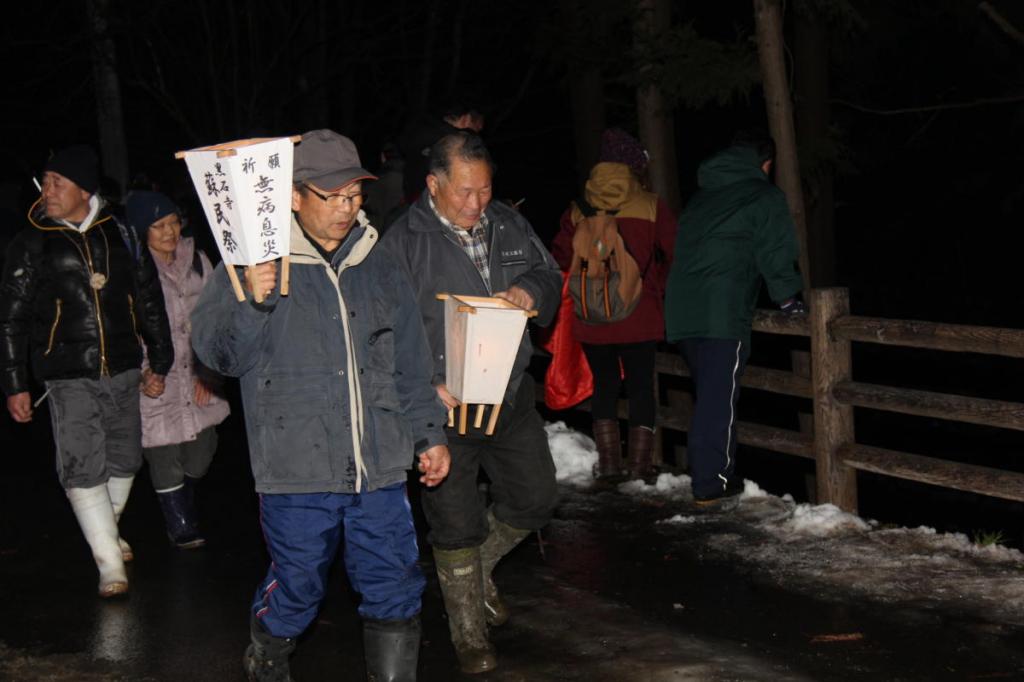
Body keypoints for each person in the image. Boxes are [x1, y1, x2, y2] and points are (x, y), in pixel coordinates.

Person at [189, 129, 451, 682]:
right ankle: (269, 649)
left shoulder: (378, 261)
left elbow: (408, 357)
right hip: (296, 466)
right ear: (293, 196)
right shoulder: (250, 263)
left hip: (378, 461)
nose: (345, 208)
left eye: (353, 195)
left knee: (395, 582)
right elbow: (217, 356)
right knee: (301, 581)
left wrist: (429, 432)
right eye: (331, 197)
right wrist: (252, 302)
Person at [383, 131, 560, 674]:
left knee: (536, 499)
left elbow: (549, 273)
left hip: (509, 394)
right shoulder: (402, 241)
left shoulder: (507, 222)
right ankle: (468, 633)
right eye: (464, 192)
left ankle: (474, 572)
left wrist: (532, 290)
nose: (475, 204)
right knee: (455, 521)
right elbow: (380, 329)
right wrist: (420, 387)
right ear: (433, 186)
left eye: (484, 191)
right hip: (446, 404)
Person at [0, 144, 173, 597]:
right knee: (81, 463)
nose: (47, 190)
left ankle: (104, 530)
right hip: (66, 371)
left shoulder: (121, 233)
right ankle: (109, 563)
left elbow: (149, 297)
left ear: (83, 189)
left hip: (122, 366)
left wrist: (160, 356)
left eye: (58, 182)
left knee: (126, 457)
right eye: (46, 180)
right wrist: (15, 382)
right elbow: (12, 317)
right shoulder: (31, 241)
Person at [664, 131, 805, 509]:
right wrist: (789, 298)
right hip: (720, 312)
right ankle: (712, 482)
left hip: (682, 309)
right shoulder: (763, 195)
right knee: (718, 400)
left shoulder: (702, 198)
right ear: (766, 164)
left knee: (710, 395)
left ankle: (713, 470)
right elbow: (774, 250)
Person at [551, 128, 676, 481]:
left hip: (591, 315)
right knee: (639, 387)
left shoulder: (577, 209)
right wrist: (654, 287)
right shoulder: (651, 205)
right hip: (639, 313)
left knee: (604, 385)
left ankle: (608, 463)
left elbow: (559, 256)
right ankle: (639, 465)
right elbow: (674, 252)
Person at [125, 190, 229, 549]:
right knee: (162, 452)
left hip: (197, 373)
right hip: (155, 376)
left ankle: (181, 495)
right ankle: (180, 523)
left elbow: (219, 318)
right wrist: (142, 374)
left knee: (200, 456)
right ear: (142, 231)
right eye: (158, 226)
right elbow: (125, 328)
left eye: (173, 222)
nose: (169, 232)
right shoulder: (132, 269)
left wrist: (210, 373)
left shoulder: (198, 259)